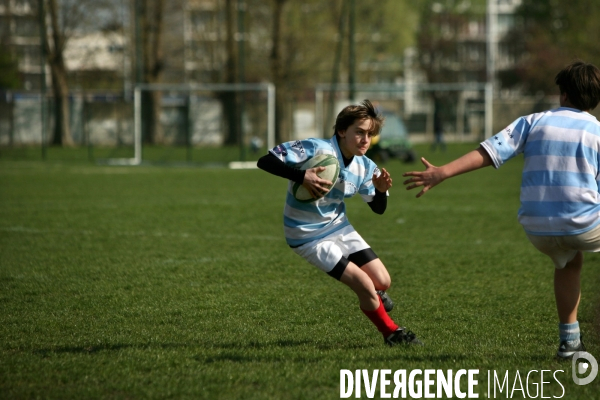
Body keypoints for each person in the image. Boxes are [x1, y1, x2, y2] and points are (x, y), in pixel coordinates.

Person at [402, 60, 600, 359]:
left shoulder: (533, 121)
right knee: (578, 243)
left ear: (563, 94)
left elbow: (488, 152)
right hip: (585, 225)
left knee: (570, 263)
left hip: (537, 229)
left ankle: (570, 343)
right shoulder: (596, 131)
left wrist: (442, 172)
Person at [257, 100, 422, 346]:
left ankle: (374, 297)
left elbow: (378, 209)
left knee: (382, 281)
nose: (366, 139)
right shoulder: (317, 148)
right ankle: (392, 333)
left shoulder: (366, 165)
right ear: (342, 131)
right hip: (306, 235)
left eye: (370, 134)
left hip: (338, 226)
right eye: (359, 132)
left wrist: (379, 191)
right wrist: (302, 176)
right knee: (365, 285)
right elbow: (265, 161)